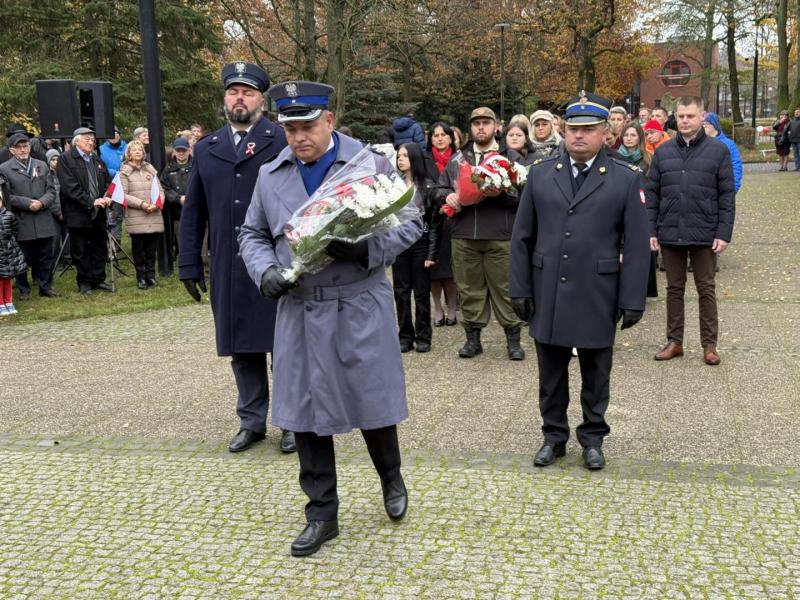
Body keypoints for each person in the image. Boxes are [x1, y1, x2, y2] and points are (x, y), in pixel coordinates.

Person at [238, 79, 422, 557]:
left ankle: (391, 477)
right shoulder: (270, 173)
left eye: (308, 126)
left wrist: (367, 248)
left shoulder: (368, 164)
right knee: (304, 415)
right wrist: (266, 272)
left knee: (372, 402)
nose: (299, 137)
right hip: (300, 309)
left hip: (359, 302)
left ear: (329, 122)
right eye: (290, 128)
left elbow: (413, 222)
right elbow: (251, 234)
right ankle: (322, 513)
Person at [509, 91, 650, 471]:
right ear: (563, 130)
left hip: (596, 292)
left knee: (596, 373)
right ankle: (553, 436)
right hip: (548, 289)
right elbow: (522, 237)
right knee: (550, 375)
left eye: (588, 130)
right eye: (573, 129)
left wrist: (633, 298)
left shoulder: (623, 178)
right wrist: (519, 289)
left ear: (605, 132)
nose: (579, 137)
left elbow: (637, 245)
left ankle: (592, 438)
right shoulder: (541, 174)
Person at [178, 62, 294, 454]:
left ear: (261, 98)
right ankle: (252, 420)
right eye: (233, 92)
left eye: (247, 92)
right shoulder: (208, 149)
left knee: (286, 345)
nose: (239, 98)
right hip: (230, 263)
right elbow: (193, 211)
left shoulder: (281, 140)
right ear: (225, 99)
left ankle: (292, 420)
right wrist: (189, 264)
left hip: (277, 261)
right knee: (242, 346)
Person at [645, 96, 735, 366]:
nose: (684, 121)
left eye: (690, 116)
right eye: (681, 116)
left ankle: (709, 345)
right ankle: (675, 341)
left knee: (706, 288)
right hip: (670, 230)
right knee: (674, 289)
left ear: (702, 116)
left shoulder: (718, 151)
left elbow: (726, 195)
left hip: (704, 231)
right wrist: (651, 230)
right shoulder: (663, 152)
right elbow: (652, 195)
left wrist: (723, 232)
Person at [435, 106, 526, 360]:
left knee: (505, 288)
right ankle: (473, 339)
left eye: (486, 123)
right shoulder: (458, 159)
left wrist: (502, 192)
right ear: (470, 128)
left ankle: (513, 340)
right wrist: (448, 195)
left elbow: (525, 194)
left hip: (500, 234)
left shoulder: (511, 158)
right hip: (464, 234)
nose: (481, 128)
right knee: (469, 288)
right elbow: (439, 188)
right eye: (476, 124)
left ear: (496, 126)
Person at [393, 143, 440, 352]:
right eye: (398, 156)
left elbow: (435, 223)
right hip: (398, 243)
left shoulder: (428, 186)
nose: (400, 159)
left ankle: (423, 336)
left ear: (414, 158)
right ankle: (404, 336)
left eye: (405, 156)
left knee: (421, 292)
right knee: (401, 292)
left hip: (421, 242)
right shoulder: (392, 184)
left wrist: (432, 252)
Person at [0, 132, 59, 298]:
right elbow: (6, 196)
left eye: (25, 146)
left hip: (43, 218)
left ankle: (46, 287)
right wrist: (27, 203)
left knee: (46, 256)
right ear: (11, 150)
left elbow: (51, 190)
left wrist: (41, 202)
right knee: (23, 257)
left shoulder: (42, 164)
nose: (22, 150)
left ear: (30, 147)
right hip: (21, 220)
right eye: (18, 147)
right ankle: (24, 289)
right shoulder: (4, 169)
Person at [56, 127, 113, 294]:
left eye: (92, 139)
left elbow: (106, 181)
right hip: (78, 213)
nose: (91, 142)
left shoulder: (96, 159)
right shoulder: (66, 159)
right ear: (76, 141)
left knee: (99, 247)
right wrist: (91, 201)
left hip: (99, 212)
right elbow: (69, 188)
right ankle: (84, 282)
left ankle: (98, 279)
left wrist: (108, 195)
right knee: (80, 249)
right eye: (87, 139)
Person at [116, 140, 164, 289]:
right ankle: (141, 277)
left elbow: (161, 191)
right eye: (134, 150)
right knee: (139, 250)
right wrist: (142, 204)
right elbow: (123, 195)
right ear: (129, 154)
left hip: (153, 214)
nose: (138, 152)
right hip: (137, 215)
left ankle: (151, 276)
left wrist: (157, 204)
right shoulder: (124, 172)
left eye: (140, 150)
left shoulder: (151, 170)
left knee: (151, 249)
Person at [426, 122, 459, 327]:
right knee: (434, 267)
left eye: (443, 135)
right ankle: (437, 308)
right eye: (435, 135)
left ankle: (453, 308)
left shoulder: (459, 159)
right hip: (431, 216)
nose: (439, 138)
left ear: (450, 138)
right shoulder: (425, 159)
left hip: (454, 217)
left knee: (450, 267)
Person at [160, 136, 192, 258]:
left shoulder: (197, 166)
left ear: (189, 150)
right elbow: (164, 187)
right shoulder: (168, 170)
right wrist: (178, 199)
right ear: (174, 151)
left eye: (183, 150)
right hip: (177, 213)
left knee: (200, 245)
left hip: (196, 212)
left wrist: (190, 198)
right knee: (182, 243)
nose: (181, 153)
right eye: (178, 150)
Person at [0, 173, 27, 316]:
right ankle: (0, 303)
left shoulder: (8, 215)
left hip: (8, 250)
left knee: (8, 277)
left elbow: (14, 230)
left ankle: (8, 301)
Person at [99, 127, 127, 242]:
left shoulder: (127, 147)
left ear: (119, 135)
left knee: (123, 214)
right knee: (112, 213)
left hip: (126, 183)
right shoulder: (101, 149)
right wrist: (115, 172)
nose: (113, 136)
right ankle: (112, 241)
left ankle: (118, 240)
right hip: (110, 184)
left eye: (116, 133)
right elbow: (100, 166)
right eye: (111, 134)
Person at [703, 113, 743, 193]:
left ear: (714, 125)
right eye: (702, 124)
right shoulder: (700, 143)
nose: (703, 126)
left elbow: (736, 166)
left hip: (723, 192)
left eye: (706, 123)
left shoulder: (729, 145)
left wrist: (733, 189)